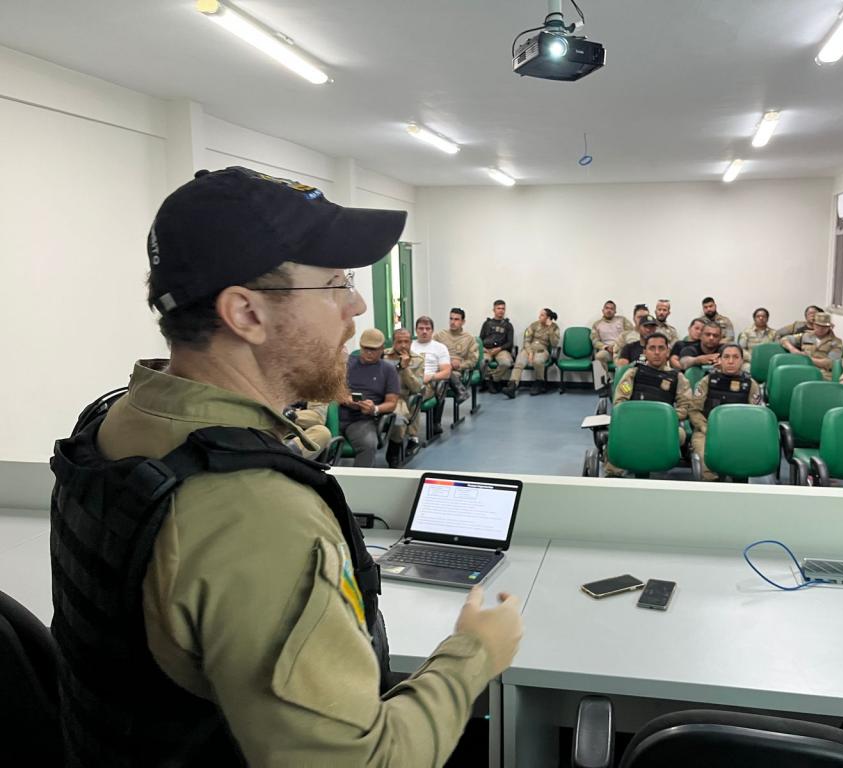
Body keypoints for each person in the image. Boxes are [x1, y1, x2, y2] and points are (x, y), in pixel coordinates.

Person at [49, 167, 522, 766]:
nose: (356, 306)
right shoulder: (255, 513)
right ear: (246, 313)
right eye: (335, 284)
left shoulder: (114, 423)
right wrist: (474, 653)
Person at [604, 333, 691, 477]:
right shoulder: (633, 373)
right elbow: (620, 403)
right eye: (652, 348)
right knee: (618, 433)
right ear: (645, 352)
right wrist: (639, 419)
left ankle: (655, 462)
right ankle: (614, 474)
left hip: (662, 425)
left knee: (680, 434)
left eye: (661, 348)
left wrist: (665, 418)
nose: (657, 352)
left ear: (668, 352)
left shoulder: (678, 378)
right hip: (634, 423)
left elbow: (685, 407)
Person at [688, 344, 763, 481]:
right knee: (706, 458)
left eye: (735, 357)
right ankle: (712, 486)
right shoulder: (707, 381)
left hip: (739, 434)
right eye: (726, 357)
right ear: (720, 360)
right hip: (707, 432)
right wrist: (705, 427)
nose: (730, 361)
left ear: (742, 361)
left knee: (743, 461)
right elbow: (694, 410)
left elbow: (756, 416)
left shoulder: (751, 385)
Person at [334, 328, 401, 467]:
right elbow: (334, 389)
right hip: (335, 414)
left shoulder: (388, 370)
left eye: (373, 349)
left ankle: (359, 478)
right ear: (360, 346)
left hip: (361, 420)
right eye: (365, 348)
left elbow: (391, 403)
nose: (369, 353)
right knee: (314, 440)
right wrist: (347, 399)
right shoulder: (347, 364)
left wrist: (374, 409)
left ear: (382, 349)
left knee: (368, 444)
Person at [383, 327, 426, 465]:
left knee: (398, 417)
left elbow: (417, 388)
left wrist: (405, 368)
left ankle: (394, 450)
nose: (403, 345)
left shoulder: (418, 360)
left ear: (411, 342)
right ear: (393, 342)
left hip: (400, 398)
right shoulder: (383, 356)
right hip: (379, 395)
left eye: (406, 342)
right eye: (399, 342)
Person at [505, 307, 560, 397]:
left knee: (537, 361)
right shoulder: (534, 325)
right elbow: (526, 340)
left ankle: (539, 382)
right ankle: (512, 386)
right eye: (540, 315)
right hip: (528, 349)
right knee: (519, 362)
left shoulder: (554, 327)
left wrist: (550, 329)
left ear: (548, 317)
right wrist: (530, 352)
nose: (539, 317)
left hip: (542, 350)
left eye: (542, 315)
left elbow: (554, 343)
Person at [780, 311, 843, 380]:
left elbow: (830, 363)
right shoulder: (805, 336)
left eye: (824, 327)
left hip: (823, 373)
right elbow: (784, 339)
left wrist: (807, 358)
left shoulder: (836, 342)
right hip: (803, 368)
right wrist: (793, 350)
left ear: (829, 327)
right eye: (818, 326)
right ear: (813, 325)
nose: (820, 329)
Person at [435, 307, 479, 403]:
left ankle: (436, 413)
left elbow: (473, 361)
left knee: (442, 381)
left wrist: (460, 365)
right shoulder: (440, 335)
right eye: (451, 319)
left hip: (456, 371)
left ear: (463, 322)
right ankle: (461, 391)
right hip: (439, 367)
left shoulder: (469, 339)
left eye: (456, 319)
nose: (452, 322)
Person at [479, 299, 514, 393]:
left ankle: (493, 379)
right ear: (494, 310)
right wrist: (483, 348)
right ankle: (489, 381)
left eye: (503, 308)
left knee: (506, 363)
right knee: (482, 362)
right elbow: (480, 339)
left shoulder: (508, 325)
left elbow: (510, 343)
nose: (501, 310)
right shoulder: (487, 324)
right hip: (487, 350)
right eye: (498, 308)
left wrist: (499, 348)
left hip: (502, 350)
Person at [591, 299, 633, 369]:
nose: (609, 310)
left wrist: (621, 345)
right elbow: (595, 341)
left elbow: (631, 334)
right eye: (607, 308)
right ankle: (605, 376)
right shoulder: (597, 324)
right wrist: (606, 347)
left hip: (622, 349)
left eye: (611, 309)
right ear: (603, 310)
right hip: (607, 350)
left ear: (615, 311)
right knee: (599, 356)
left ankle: (624, 376)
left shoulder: (622, 320)